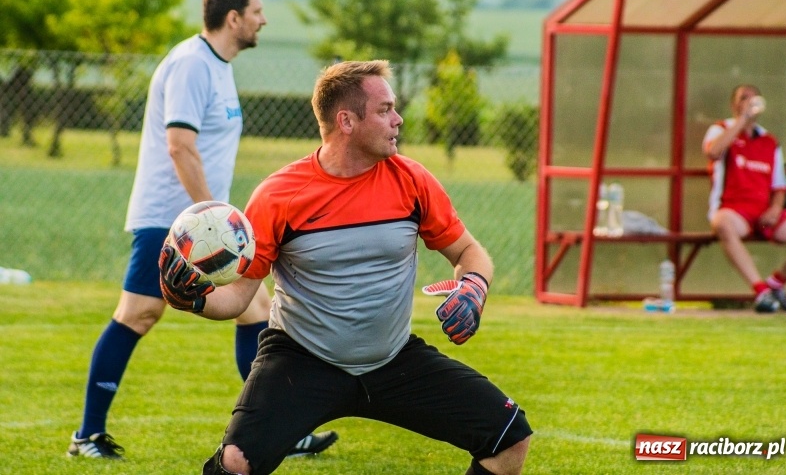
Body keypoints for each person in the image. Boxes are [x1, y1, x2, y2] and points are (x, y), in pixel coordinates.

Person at [158, 60, 533, 475]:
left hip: (392, 358)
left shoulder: (412, 180)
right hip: (302, 360)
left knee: (509, 438)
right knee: (235, 463)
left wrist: (474, 286)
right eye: (385, 110)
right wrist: (191, 299)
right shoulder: (278, 195)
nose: (398, 119)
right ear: (347, 121)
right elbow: (238, 297)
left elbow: (469, 252)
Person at [68, 0, 337, 459]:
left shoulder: (217, 66)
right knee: (139, 313)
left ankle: (282, 432)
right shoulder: (192, 63)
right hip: (174, 222)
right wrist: (212, 219)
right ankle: (86, 436)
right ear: (233, 18)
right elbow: (179, 145)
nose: (263, 20)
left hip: (202, 225)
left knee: (256, 310)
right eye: (256, 11)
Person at [703, 83, 786, 313]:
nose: (749, 102)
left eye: (754, 98)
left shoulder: (769, 141)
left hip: (764, 214)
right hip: (734, 210)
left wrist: (775, 209)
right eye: (743, 98)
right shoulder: (720, 129)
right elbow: (713, 152)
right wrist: (742, 121)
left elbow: (779, 186)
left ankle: (776, 284)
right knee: (722, 223)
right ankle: (761, 292)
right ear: (734, 104)